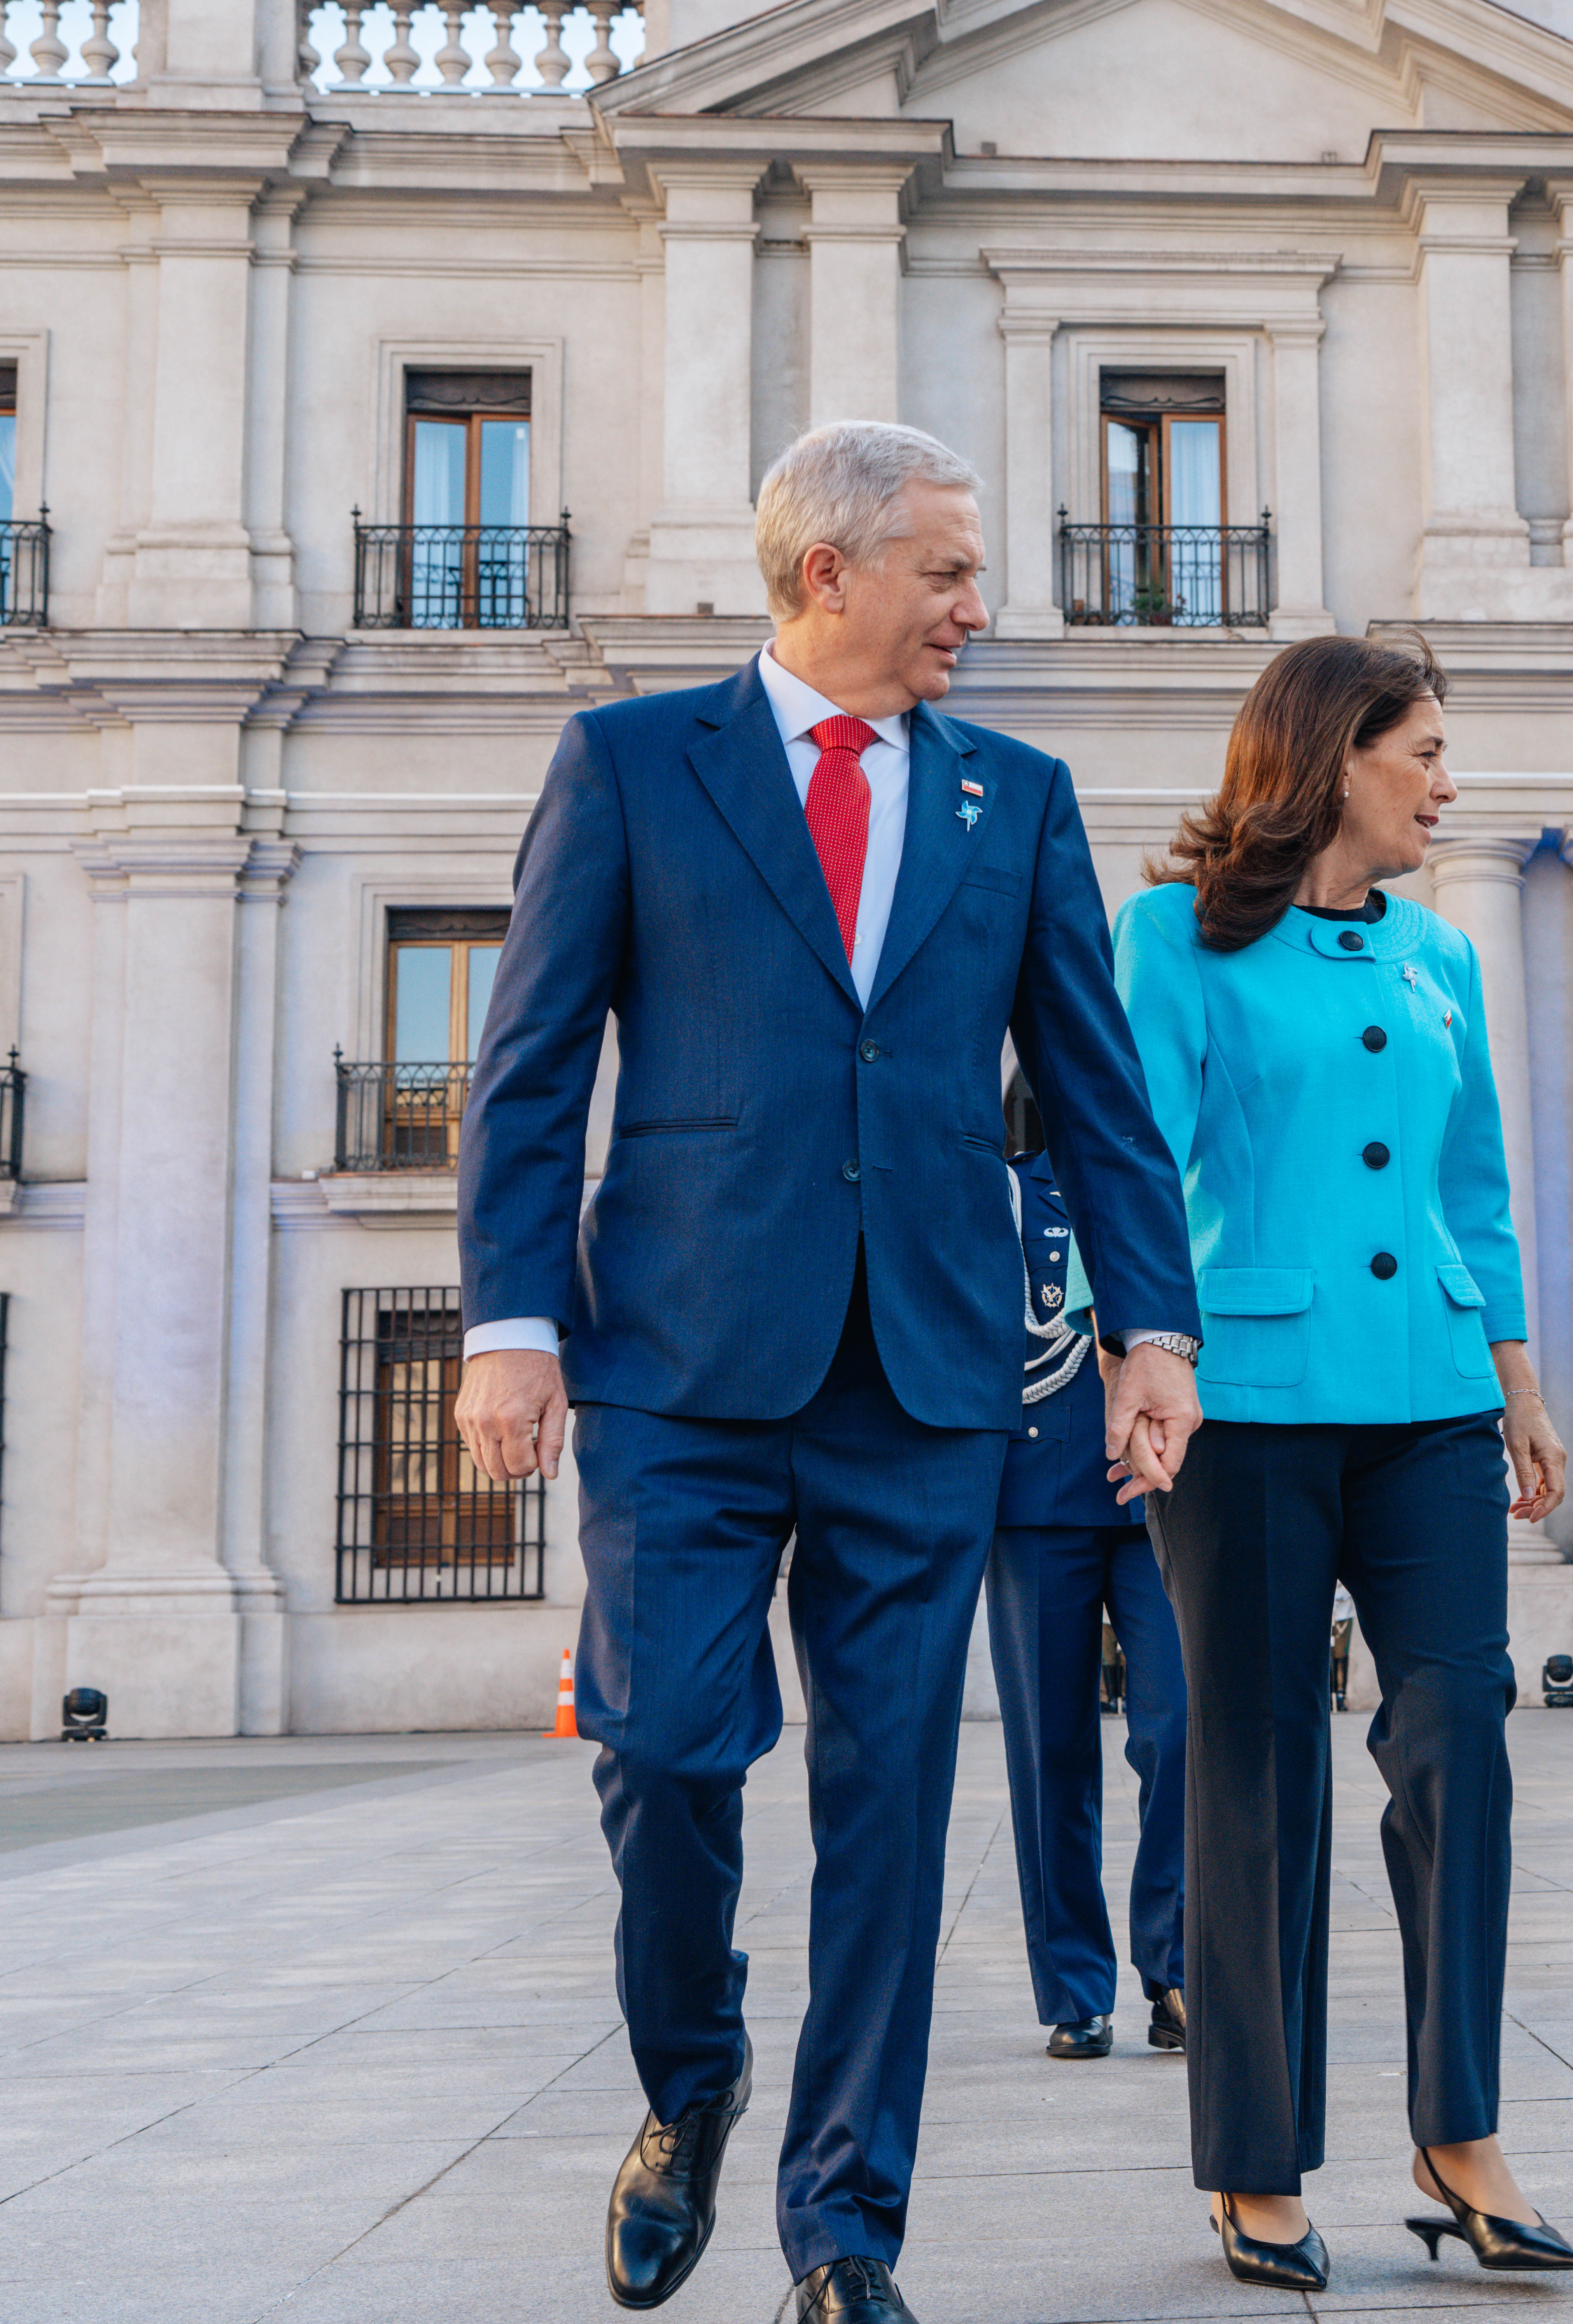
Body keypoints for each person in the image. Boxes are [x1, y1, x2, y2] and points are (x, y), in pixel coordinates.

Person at [451, 421, 1204, 2324]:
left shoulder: (1014, 798)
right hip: (680, 1369)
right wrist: (510, 1325)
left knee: (888, 1809)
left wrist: (1150, 1334)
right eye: (948, 571)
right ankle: (689, 2085)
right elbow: (532, 1064)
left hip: (932, 1382)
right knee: (662, 1750)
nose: (978, 604)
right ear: (827, 576)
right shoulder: (636, 763)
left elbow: (1100, 1095)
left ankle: (845, 2230)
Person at [1115, 633, 1573, 2294]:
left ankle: (1461, 2133)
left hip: (1435, 1399)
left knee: (1459, 1732)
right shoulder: (1170, 939)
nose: (1448, 784)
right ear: (1333, 757)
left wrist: (1517, 1386)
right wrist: (1140, 1359)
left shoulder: (1441, 950)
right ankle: (1254, 2155)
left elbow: (1476, 1191)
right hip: (1246, 1405)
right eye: (1426, 751)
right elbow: (1133, 1171)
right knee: (1257, 1769)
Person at [985, 1072, 1188, 2064]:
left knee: (1183, 1726)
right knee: (1049, 1750)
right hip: (1031, 1505)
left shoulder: (1156, 1195)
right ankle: (1075, 1986)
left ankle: (1179, 1963)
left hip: (1160, 1500)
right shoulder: (999, 1192)